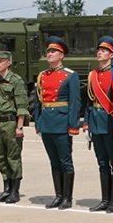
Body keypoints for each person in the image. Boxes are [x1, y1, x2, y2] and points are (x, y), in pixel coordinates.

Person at [34, 36, 81, 210]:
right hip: (47, 123)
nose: (49, 54)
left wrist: (73, 125)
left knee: (65, 161)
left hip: (62, 123)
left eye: (53, 51)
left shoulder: (70, 76)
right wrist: (38, 123)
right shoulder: (42, 76)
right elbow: (39, 102)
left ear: (61, 55)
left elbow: (75, 103)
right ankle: (58, 195)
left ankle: (67, 197)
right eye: (48, 51)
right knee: (54, 162)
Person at [83, 36, 113, 213]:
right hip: (97, 123)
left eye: (104, 50)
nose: (100, 53)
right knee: (102, 163)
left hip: (111, 123)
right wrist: (87, 124)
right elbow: (89, 103)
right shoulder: (93, 75)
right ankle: (105, 199)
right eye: (99, 50)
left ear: (112, 55)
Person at [0, 51, 29, 204]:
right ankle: (6, 189)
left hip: (11, 123)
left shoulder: (16, 80)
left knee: (13, 157)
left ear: (8, 63)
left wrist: (19, 127)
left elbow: (22, 106)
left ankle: (15, 191)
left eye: (0, 61)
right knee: (1, 158)